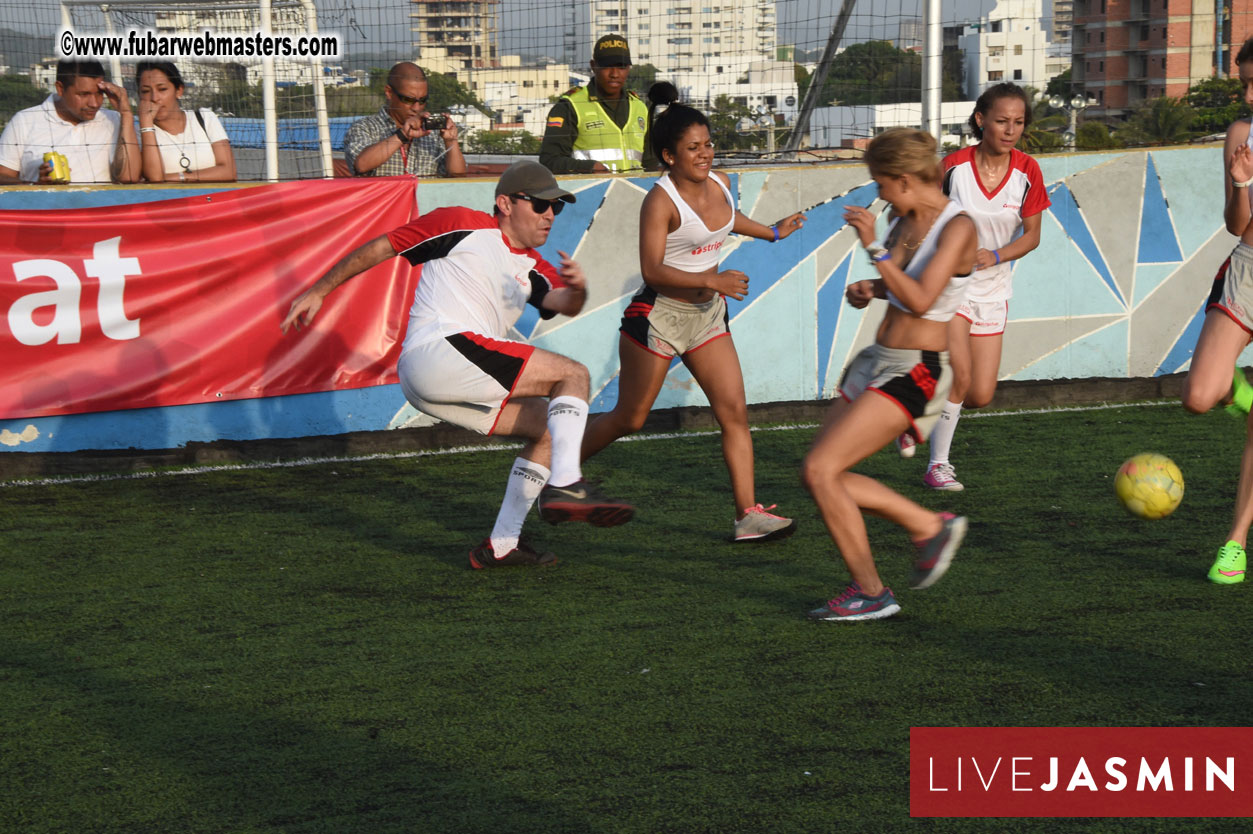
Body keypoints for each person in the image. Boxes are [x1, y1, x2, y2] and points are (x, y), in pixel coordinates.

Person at [281, 160, 632, 568]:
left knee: (549, 429)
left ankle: (502, 545)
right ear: (504, 203)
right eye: (539, 204)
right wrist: (320, 289)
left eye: (556, 207)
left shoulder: (535, 266)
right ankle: (568, 484)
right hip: (440, 352)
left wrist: (579, 290)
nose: (550, 214)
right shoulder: (461, 222)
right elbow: (384, 246)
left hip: (441, 376)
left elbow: (560, 302)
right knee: (574, 374)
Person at [578, 102, 806, 542]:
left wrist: (773, 231)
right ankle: (557, 471)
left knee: (734, 412)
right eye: (693, 148)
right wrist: (711, 278)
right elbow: (652, 269)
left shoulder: (718, 181)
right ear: (669, 156)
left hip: (706, 318)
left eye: (708, 144)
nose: (705, 154)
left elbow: (725, 219)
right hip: (659, 317)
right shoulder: (660, 201)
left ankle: (748, 516)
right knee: (630, 418)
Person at [803, 128, 976, 622]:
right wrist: (873, 288)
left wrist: (873, 248)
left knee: (822, 470)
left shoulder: (958, 227)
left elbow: (923, 299)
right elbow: (903, 286)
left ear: (902, 179)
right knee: (817, 472)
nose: (876, 193)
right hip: (877, 358)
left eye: (879, 182)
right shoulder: (904, 219)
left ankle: (871, 590)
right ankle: (926, 525)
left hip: (918, 369)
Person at [898, 83, 1051, 492]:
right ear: (981, 119)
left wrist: (996, 255)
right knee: (960, 376)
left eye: (1018, 122)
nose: (1010, 129)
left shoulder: (1028, 171)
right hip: (952, 288)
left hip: (995, 290)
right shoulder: (953, 167)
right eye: (1002, 121)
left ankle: (915, 398)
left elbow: (1032, 235)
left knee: (980, 393)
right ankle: (938, 466)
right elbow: (921, 216)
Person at [1181, 36, 1253, 585]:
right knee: (1201, 397)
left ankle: (1235, 542)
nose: (1248, 94)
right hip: (1247, 270)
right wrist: (1241, 183)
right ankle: (1243, 393)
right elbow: (1236, 226)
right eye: (1244, 83)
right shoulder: (1240, 135)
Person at [0, 59, 139, 184]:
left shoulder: (114, 120)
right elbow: (3, 175)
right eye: (84, 94)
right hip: (47, 211)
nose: (94, 103)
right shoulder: (24, 121)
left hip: (99, 211)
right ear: (60, 88)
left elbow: (130, 177)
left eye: (99, 94)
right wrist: (34, 185)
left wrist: (126, 113)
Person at [539, 34, 658, 174]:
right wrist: (588, 167)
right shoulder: (570, 106)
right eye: (607, 66)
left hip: (634, 194)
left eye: (621, 66)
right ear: (593, 66)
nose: (614, 74)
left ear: (628, 68)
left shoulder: (640, 107)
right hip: (589, 193)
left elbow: (650, 163)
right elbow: (550, 161)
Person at [342, 62, 466, 178]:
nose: (416, 108)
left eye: (422, 100)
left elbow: (458, 177)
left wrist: (451, 142)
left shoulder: (432, 133)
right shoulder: (365, 127)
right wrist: (402, 135)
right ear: (389, 93)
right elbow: (361, 165)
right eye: (408, 100)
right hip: (387, 201)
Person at [136, 61, 236, 183]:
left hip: (212, 199)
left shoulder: (204, 118)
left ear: (179, 91)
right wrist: (146, 124)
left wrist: (179, 177)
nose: (154, 98)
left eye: (162, 89)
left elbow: (229, 171)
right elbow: (155, 178)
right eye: (146, 91)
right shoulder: (139, 133)